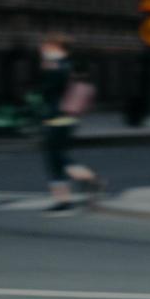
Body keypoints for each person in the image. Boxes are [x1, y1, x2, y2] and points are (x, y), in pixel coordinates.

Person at [37, 33, 103, 215]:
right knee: (55, 158)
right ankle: (63, 200)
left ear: (57, 48)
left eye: (46, 47)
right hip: (65, 117)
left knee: (56, 157)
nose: (43, 50)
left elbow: (47, 91)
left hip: (57, 117)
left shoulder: (57, 67)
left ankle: (89, 178)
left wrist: (46, 68)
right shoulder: (68, 66)